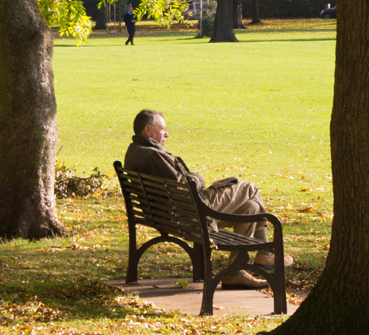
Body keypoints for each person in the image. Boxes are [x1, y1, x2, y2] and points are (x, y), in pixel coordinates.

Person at [124, 109, 293, 289]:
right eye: (163, 129)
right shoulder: (151, 155)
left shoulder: (136, 151)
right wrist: (198, 177)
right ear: (148, 130)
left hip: (175, 215)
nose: (167, 134)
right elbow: (184, 186)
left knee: (251, 207)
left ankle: (234, 273)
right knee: (249, 188)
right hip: (193, 212)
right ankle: (265, 253)